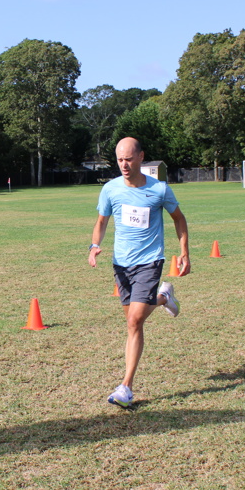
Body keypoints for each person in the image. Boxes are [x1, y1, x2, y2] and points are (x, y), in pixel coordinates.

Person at [88, 137, 189, 408]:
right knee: (133, 321)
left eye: (129, 159)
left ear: (141, 157)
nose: (124, 164)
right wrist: (94, 245)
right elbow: (101, 221)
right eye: (120, 159)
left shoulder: (159, 189)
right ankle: (164, 298)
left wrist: (184, 252)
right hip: (121, 264)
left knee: (134, 320)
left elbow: (179, 219)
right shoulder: (110, 189)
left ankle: (126, 387)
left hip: (150, 261)